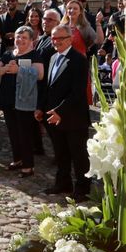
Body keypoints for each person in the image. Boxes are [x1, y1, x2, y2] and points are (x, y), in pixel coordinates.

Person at [36, 25, 91, 202]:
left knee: (78, 154)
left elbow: (77, 92)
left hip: (73, 117)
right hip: (53, 116)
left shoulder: (79, 59)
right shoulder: (52, 57)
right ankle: (63, 183)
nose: (56, 42)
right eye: (53, 38)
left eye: (60, 38)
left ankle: (83, 189)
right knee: (60, 153)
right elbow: (47, 87)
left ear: (70, 39)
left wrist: (60, 111)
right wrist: (40, 108)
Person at [0, 26, 44, 178]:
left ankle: (28, 166)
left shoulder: (35, 55)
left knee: (25, 134)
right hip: (8, 98)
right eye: (18, 37)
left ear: (31, 40)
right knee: (13, 133)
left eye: (24, 37)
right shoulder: (8, 54)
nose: (20, 40)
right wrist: (7, 68)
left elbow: (40, 74)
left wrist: (19, 70)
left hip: (25, 100)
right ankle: (18, 160)